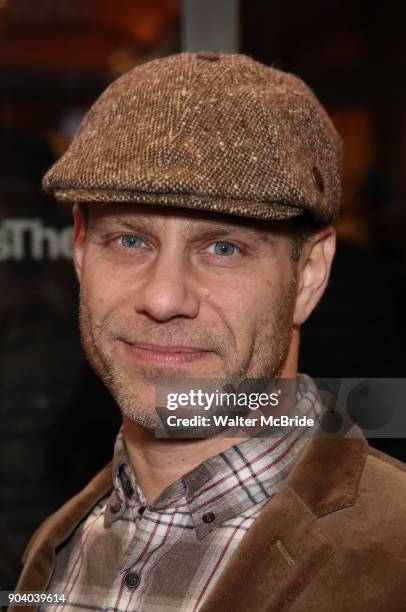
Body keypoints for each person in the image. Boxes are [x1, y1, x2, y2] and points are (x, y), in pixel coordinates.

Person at [11, 52, 406, 612]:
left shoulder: (393, 559)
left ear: (309, 275)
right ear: (79, 250)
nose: (164, 298)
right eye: (129, 240)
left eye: (223, 248)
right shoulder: (57, 546)